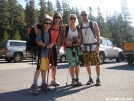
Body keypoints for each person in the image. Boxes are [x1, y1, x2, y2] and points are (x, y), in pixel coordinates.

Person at [34, 12, 63, 86]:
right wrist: (35, 28)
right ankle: (43, 81)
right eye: (56, 17)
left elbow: (58, 38)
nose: (57, 19)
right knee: (45, 64)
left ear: (60, 19)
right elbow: (36, 24)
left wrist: (58, 47)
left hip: (53, 46)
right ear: (53, 18)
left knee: (54, 64)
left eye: (59, 17)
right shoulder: (49, 24)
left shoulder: (60, 28)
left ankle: (53, 80)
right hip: (45, 46)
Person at [30, 15, 53, 95]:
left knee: (44, 69)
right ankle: (34, 85)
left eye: (50, 23)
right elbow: (38, 41)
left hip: (46, 53)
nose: (48, 25)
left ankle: (43, 84)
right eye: (46, 23)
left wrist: (50, 45)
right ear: (43, 23)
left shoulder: (48, 32)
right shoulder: (40, 31)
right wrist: (47, 46)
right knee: (39, 68)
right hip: (40, 53)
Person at [80, 11, 101, 86]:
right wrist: (81, 47)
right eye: (82, 15)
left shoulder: (93, 24)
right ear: (80, 17)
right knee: (87, 64)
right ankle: (90, 78)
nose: (84, 16)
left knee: (97, 64)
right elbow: (81, 37)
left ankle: (98, 79)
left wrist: (98, 46)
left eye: (85, 14)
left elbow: (98, 34)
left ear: (87, 15)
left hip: (93, 47)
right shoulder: (81, 26)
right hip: (85, 48)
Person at [62, 14, 82, 86]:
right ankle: (73, 80)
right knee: (71, 64)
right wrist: (70, 40)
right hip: (69, 48)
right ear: (69, 19)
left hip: (77, 47)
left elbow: (80, 38)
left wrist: (77, 40)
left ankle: (77, 79)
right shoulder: (66, 28)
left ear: (76, 19)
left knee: (77, 64)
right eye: (71, 18)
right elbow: (63, 37)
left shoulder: (78, 28)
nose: (73, 20)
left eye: (74, 18)